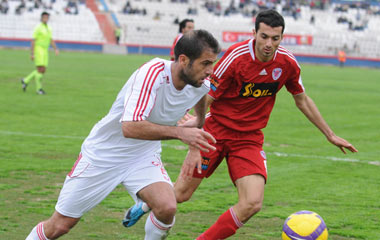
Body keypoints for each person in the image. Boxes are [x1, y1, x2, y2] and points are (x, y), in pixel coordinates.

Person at [126, 10, 358, 239]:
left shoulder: (287, 63)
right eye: (264, 36)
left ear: (282, 38)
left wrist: (330, 134)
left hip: (249, 138)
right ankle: (145, 205)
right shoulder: (236, 58)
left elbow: (302, 100)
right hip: (215, 132)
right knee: (182, 193)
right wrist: (195, 126)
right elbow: (206, 95)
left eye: (275, 38)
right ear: (254, 33)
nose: (269, 43)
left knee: (252, 203)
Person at [25, 29, 221, 240]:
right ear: (183, 60)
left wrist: (198, 122)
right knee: (60, 225)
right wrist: (181, 133)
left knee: (166, 208)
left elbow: (202, 95)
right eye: (205, 63)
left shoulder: (199, 83)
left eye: (212, 63)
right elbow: (130, 127)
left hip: (143, 155)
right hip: (104, 154)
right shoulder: (153, 73)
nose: (210, 70)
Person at [21, 12, 59, 95]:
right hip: (38, 49)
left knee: (43, 70)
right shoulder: (38, 27)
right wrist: (32, 53)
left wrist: (55, 48)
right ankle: (39, 89)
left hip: (45, 50)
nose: (46, 18)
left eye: (47, 17)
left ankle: (25, 80)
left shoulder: (49, 28)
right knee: (40, 69)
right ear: (41, 18)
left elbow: (51, 40)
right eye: (44, 17)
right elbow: (33, 41)